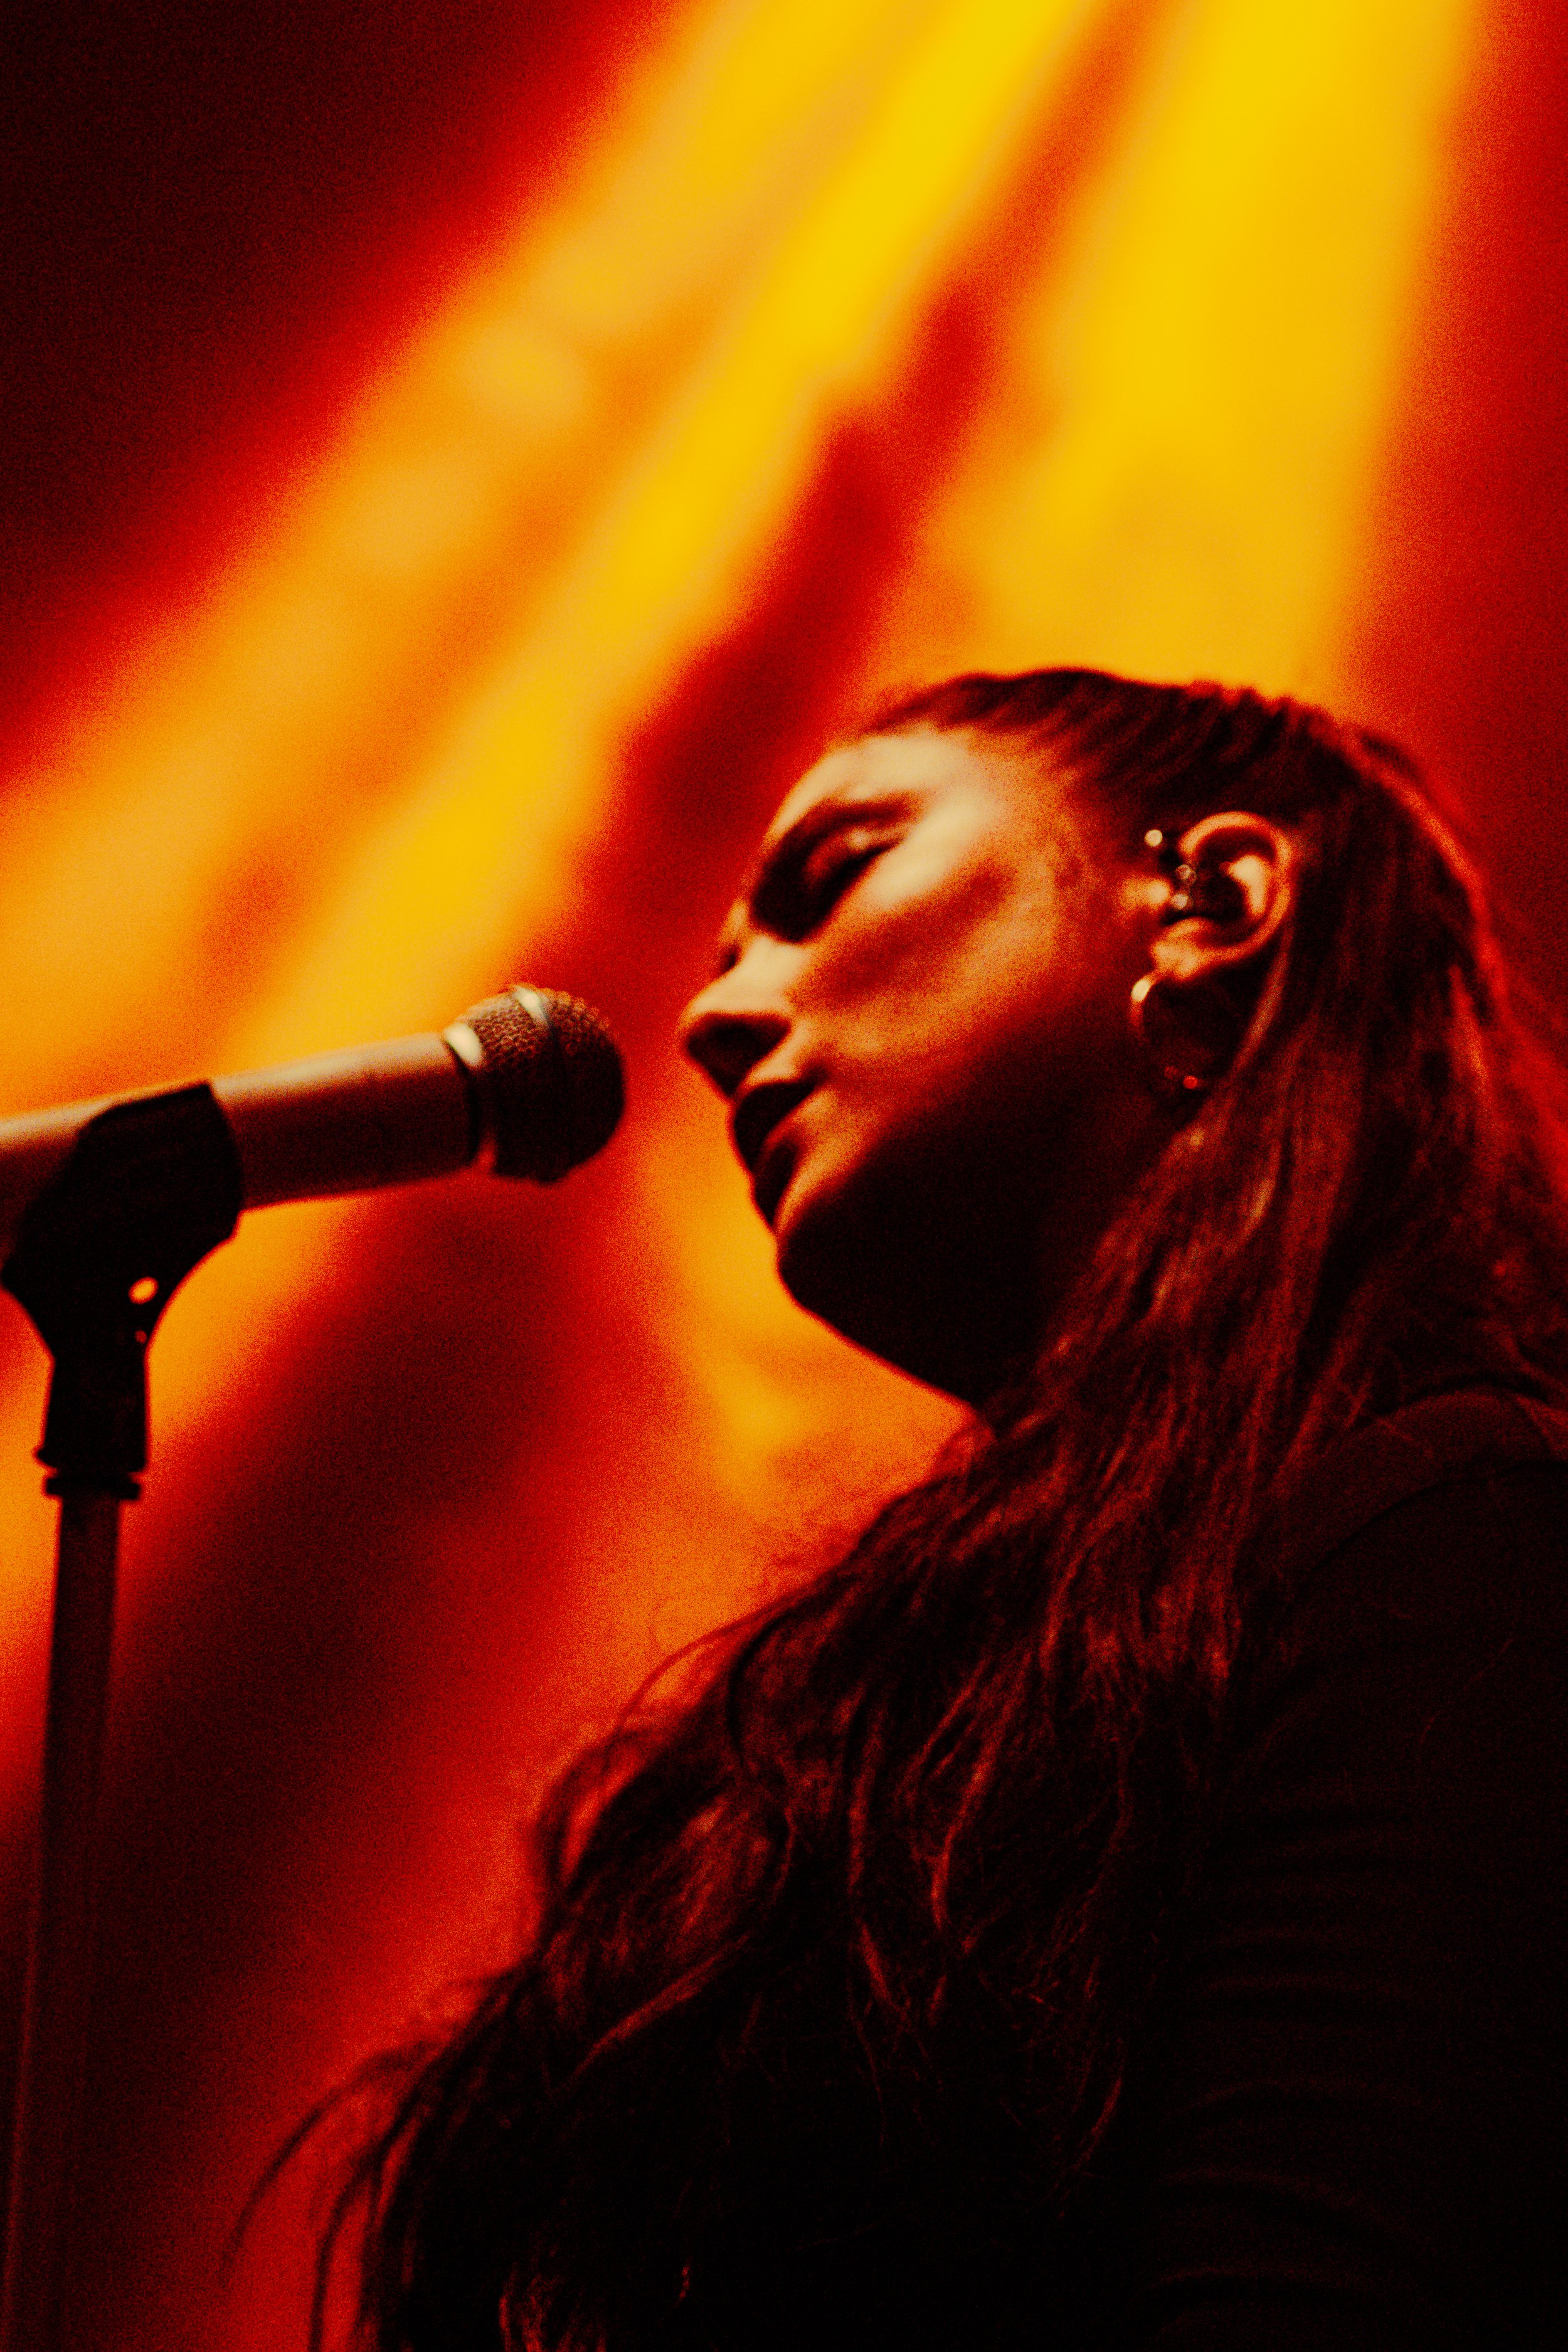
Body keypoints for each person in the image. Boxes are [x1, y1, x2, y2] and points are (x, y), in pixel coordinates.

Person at [324, 670, 1568, 2348]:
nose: (711, 1021)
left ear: (1211, 902)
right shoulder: (1002, 1666)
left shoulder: (1457, 1545)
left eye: (831, 878)